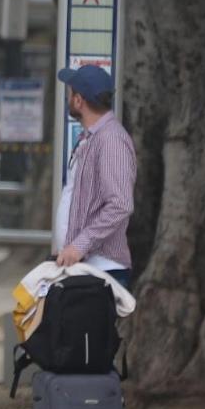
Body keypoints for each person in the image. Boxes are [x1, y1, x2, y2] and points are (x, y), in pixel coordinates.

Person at [53, 64, 137, 289]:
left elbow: (120, 204)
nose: (67, 99)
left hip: (102, 271)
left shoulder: (111, 141)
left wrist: (79, 245)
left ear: (79, 101)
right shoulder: (92, 138)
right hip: (85, 267)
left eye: (70, 94)